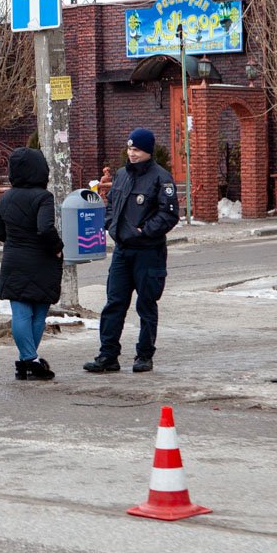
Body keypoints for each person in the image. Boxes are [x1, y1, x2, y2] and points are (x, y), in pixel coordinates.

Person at [84, 128, 179, 375]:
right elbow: (112, 204)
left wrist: (144, 231)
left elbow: (169, 215)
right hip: (122, 251)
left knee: (146, 305)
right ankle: (108, 355)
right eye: (129, 149)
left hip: (149, 251)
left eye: (136, 149)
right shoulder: (122, 174)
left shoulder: (161, 178)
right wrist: (111, 225)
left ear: (148, 151)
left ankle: (144, 355)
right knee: (114, 303)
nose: (132, 154)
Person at [0, 147, 62, 381]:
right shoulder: (43, 197)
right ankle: (30, 360)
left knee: (20, 311)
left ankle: (27, 360)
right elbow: (45, 229)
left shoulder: (6, 197)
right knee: (39, 312)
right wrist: (58, 247)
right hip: (41, 259)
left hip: (13, 258)